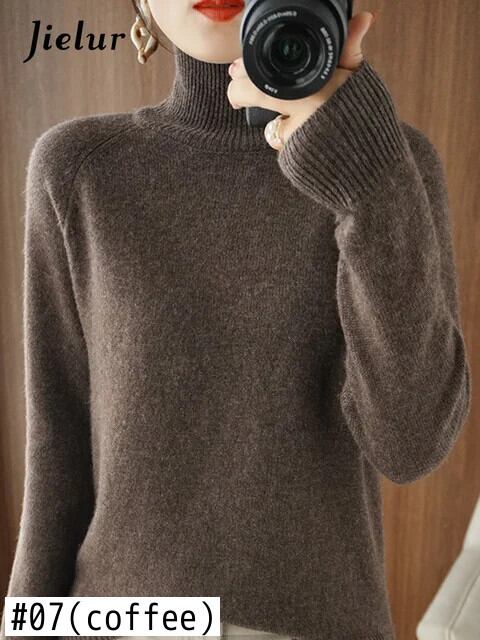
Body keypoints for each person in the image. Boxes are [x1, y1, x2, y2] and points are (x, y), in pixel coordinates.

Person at [1, 1, 471, 640]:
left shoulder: (388, 167)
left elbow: (412, 444)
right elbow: (56, 460)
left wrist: (364, 180)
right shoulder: (79, 169)